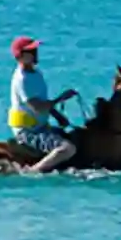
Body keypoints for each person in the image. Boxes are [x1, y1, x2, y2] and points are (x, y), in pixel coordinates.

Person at [8, 36, 79, 172]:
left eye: (35, 50)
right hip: (28, 132)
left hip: (40, 127)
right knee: (67, 149)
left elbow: (42, 100)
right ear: (20, 56)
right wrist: (60, 99)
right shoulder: (22, 79)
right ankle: (33, 172)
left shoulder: (35, 73)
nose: (35, 53)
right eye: (31, 51)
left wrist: (58, 116)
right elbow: (37, 107)